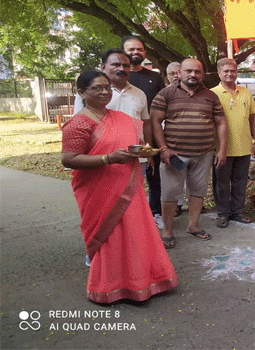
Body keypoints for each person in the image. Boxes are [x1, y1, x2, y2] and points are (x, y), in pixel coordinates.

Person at [61, 71, 178, 303]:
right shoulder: (78, 123)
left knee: (135, 232)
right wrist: (108, 159)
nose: (104, 92)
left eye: (106, 87)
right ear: (82, 93)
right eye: (96, 88)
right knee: (110, 236)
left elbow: (133, 144)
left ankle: (143, 281)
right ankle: (110, 286)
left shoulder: (119, 117)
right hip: (99, 189)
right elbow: (68, 159)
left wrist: (143, 151)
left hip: (128, 186)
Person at [150, 58, 228, 249]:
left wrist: (222, 150)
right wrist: (163, 149)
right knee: (169, 193)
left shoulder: (211, 96)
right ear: (180, 73)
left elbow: (221, 123)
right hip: (174, 155)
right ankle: (168, 231)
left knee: (198, 191)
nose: (193, 75)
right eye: (188, 71)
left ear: (202, 74)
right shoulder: (166, 93)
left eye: (197, 71)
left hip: (204, 153)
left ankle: (193, 226)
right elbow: (154, 122)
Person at [211, 58, 255, 228]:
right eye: (226, 71)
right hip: (221, 149)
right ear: (219, 73)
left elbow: (253, 118)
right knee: (221, 182)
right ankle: (223, 213)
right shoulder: (212, 94)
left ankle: (237, 211)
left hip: (244, 146)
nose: (230, 74)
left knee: (240, 181)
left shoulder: (245, 92)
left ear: (237, 72)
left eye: (233, 71)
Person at [122, 36, 165, 225]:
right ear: (123, 51)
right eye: (130, 49)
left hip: (150, 134)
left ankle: (155, 212)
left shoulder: (154, 77)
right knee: (125, 180)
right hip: (123, 138)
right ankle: (128, 216)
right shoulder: (117, 77)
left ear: (145, 53)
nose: (135, 53)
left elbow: (160, 108)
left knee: (154, 176)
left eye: (139, 49)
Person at [165, 61, 186, 216]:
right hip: (170, 141)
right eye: (173, 74)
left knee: (191, 174)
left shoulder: (192, 92)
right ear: (167, 76)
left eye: (179, 72)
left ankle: (194, 203)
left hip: (191, 141)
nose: (176, 76)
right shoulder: (163, 94)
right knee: (174, 174)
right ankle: (177, 204)